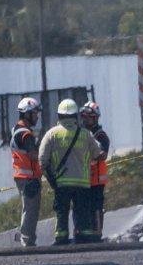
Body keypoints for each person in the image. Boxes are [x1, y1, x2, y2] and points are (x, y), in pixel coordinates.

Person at [38, 98, 106, 245]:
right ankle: (84, 235)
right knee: (82, 211)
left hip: (61, 183)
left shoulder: (51, 134)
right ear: (76, 116)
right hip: (82, 183)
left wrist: (52, 180)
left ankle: (61, 236)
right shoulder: (85, 134)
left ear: (59, 116)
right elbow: (99, 155)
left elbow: (42, 161)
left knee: (62, 212)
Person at [10, 97, 42, 247]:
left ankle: (27, 237)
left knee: (28, 208)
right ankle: (27, 240)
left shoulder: (17, 129)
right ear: (27, 114)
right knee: (31, 209)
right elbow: (33, 155)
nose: (37, 116)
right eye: (35, 113)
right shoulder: (25, 134)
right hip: (28, 177)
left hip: (23, 176)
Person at [81, 101, 109, 238]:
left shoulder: (100, 135)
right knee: (84, 206)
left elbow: (102, 155)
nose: (85, 119)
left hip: (97, 179)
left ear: (95, 117)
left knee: (96, 206)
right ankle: (85, 232)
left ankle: (97, 233)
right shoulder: (82, 133)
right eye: (84, 116)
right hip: (84, 178)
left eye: (88, 116)